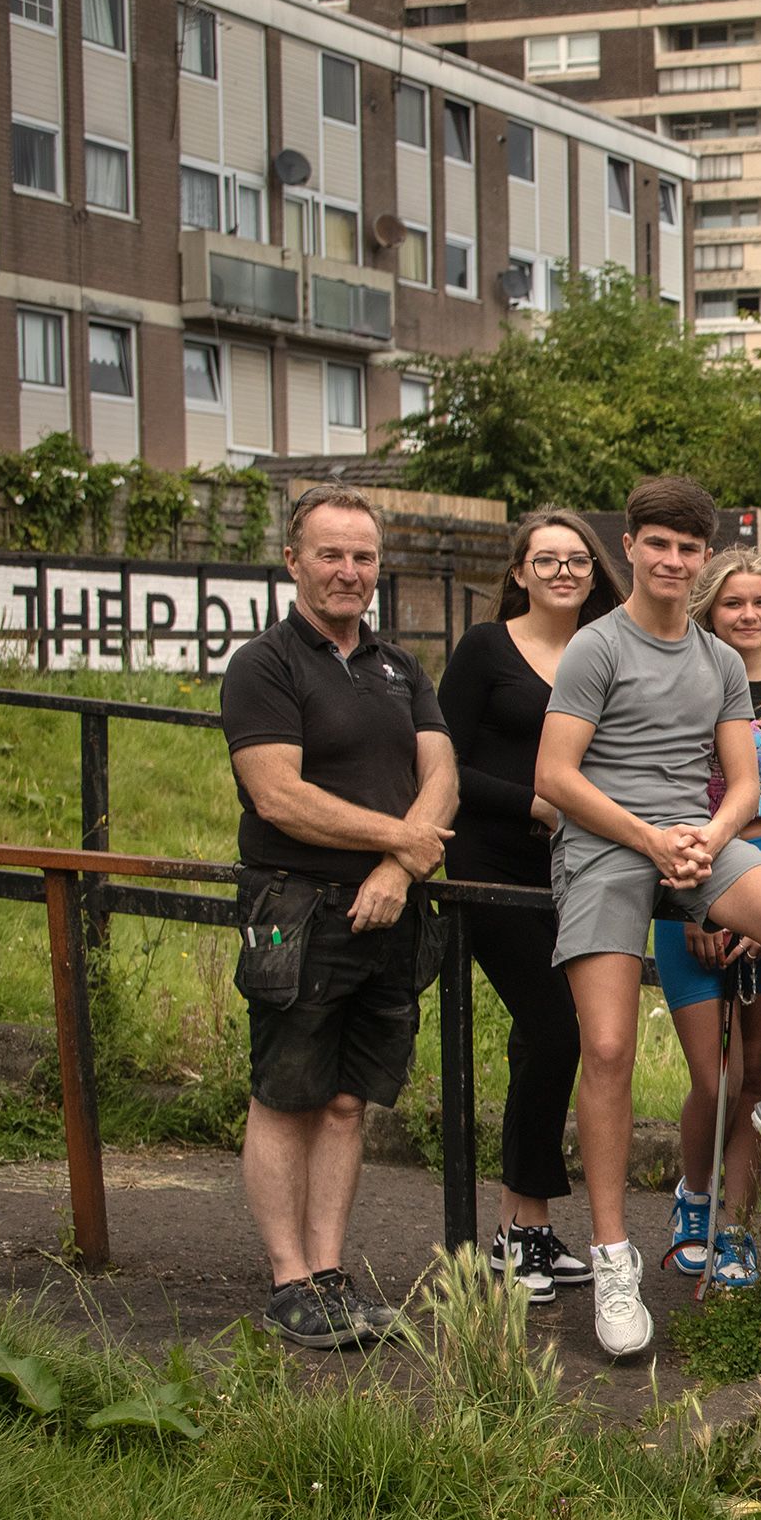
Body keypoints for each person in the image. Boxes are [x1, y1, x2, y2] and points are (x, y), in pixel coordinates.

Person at [535, 475, 761, 1359]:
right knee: (611, 1047)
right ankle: (614, 1257)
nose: (672, 560)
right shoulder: (596, 646)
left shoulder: (720, 661)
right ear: (631, 547)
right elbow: (555, 777)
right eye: (658, 544)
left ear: (702, 558)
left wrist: (708, 835)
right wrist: (653, 842)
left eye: (688, 548)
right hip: (605, 842)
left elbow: (742, 782)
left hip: (696, 840)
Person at [221, 483, 457, 1349]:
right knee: (287, 1094)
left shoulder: (400, 665)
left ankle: (328, 1271)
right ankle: (288, 1279)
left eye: (362, 556)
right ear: (293, 560)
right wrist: (404, 838)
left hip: (390, 911)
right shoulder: (266, 665)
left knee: (351, 1103)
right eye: (330, 554)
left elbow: (444, 774)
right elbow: (278, 794)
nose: (348, 571)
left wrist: (399, 865)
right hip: (297, 907)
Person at [438, 507, 620, 1301]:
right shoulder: (486, 650)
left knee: (543, 1039)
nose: (562, 573)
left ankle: (526, 1231)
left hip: (577, 870)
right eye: (545, 560)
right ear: (518, 574)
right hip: (492, 864)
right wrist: (536, 805)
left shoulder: (608, 651)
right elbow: (442, 760)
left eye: (577, 561)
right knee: (556, 1027)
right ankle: (522, 1231)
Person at [653, 549, 761, 1288]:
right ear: (708, 611)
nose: (749, 616)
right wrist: (694, 899)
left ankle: (737, 1229)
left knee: (755, 1075)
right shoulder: (681, 682)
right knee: (712, 1077)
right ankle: (693, 1197)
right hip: (691, 870)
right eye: (733, 604)